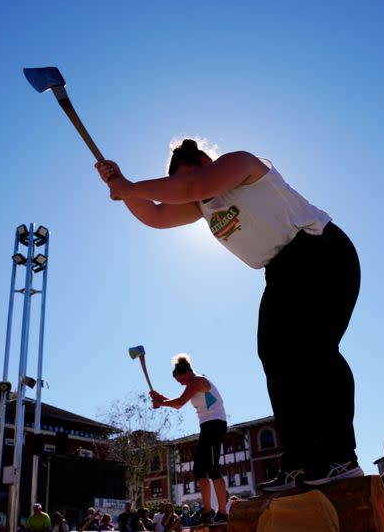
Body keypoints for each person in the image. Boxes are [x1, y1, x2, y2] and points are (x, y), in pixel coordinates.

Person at [97, 139, 362, 491]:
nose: (191, 191)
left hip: (320, 250)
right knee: (275, 357)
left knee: (314, 350)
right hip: (280, 271)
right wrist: (121, 184)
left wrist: (129, 187)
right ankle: (301, 460)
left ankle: (340, 456)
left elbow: (193, 185)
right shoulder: (201, 205)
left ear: (208, 160)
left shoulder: (241, 164)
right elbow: (157, 214)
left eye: (194, 175)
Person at [150, 355, 229, 525]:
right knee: (199, 470)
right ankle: (208, 511)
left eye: (181, 380)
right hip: (206, 427)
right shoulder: (192, 384)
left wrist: (160, 402)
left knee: (213, 468)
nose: (181, 384)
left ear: (187, 372)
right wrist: (159, 398)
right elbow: (177, 401)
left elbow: (179, 403)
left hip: (215, 425)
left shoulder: (198, 381)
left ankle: (223, 512)